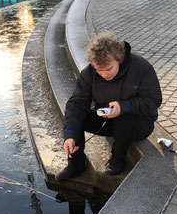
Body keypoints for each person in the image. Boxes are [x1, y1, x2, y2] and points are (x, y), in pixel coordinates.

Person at [55, 32, 162, 181]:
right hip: (108, 119)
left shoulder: (141, 67)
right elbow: (77, 103)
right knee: (76, 116)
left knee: (124, 119)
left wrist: (124, 107)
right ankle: (76, 164)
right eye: (99, 70)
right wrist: (70, 135)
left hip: (139, 123)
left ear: (119, 59)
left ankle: (118, 159)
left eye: (108, 69)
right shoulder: (91, 73)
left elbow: (154, 100)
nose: (104, 75)